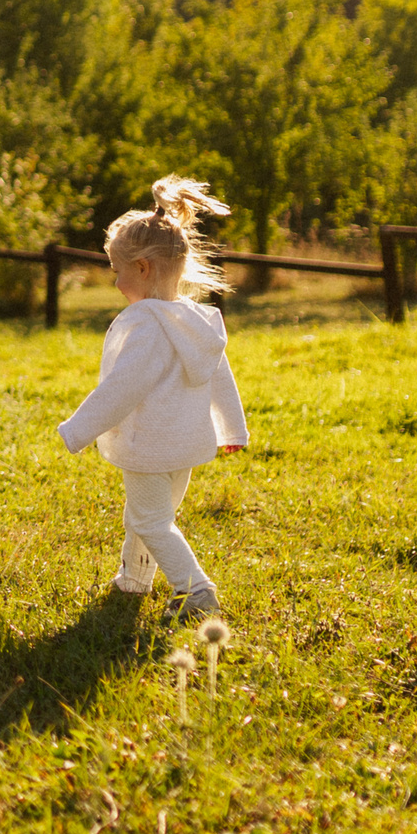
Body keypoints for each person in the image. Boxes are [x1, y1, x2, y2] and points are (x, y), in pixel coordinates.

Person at [54, 175, 249, 617]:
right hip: (184, 446)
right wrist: (232, 429)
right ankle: (134, 580)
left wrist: (78, 429)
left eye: (117, 271)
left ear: (142, 268)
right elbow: (219, 375)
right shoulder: (195, 319)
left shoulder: (146, 323)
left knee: (150, 520)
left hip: (149, 445)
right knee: (147, 516)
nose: (115, 282)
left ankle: (195, 591)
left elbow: (122, 388)